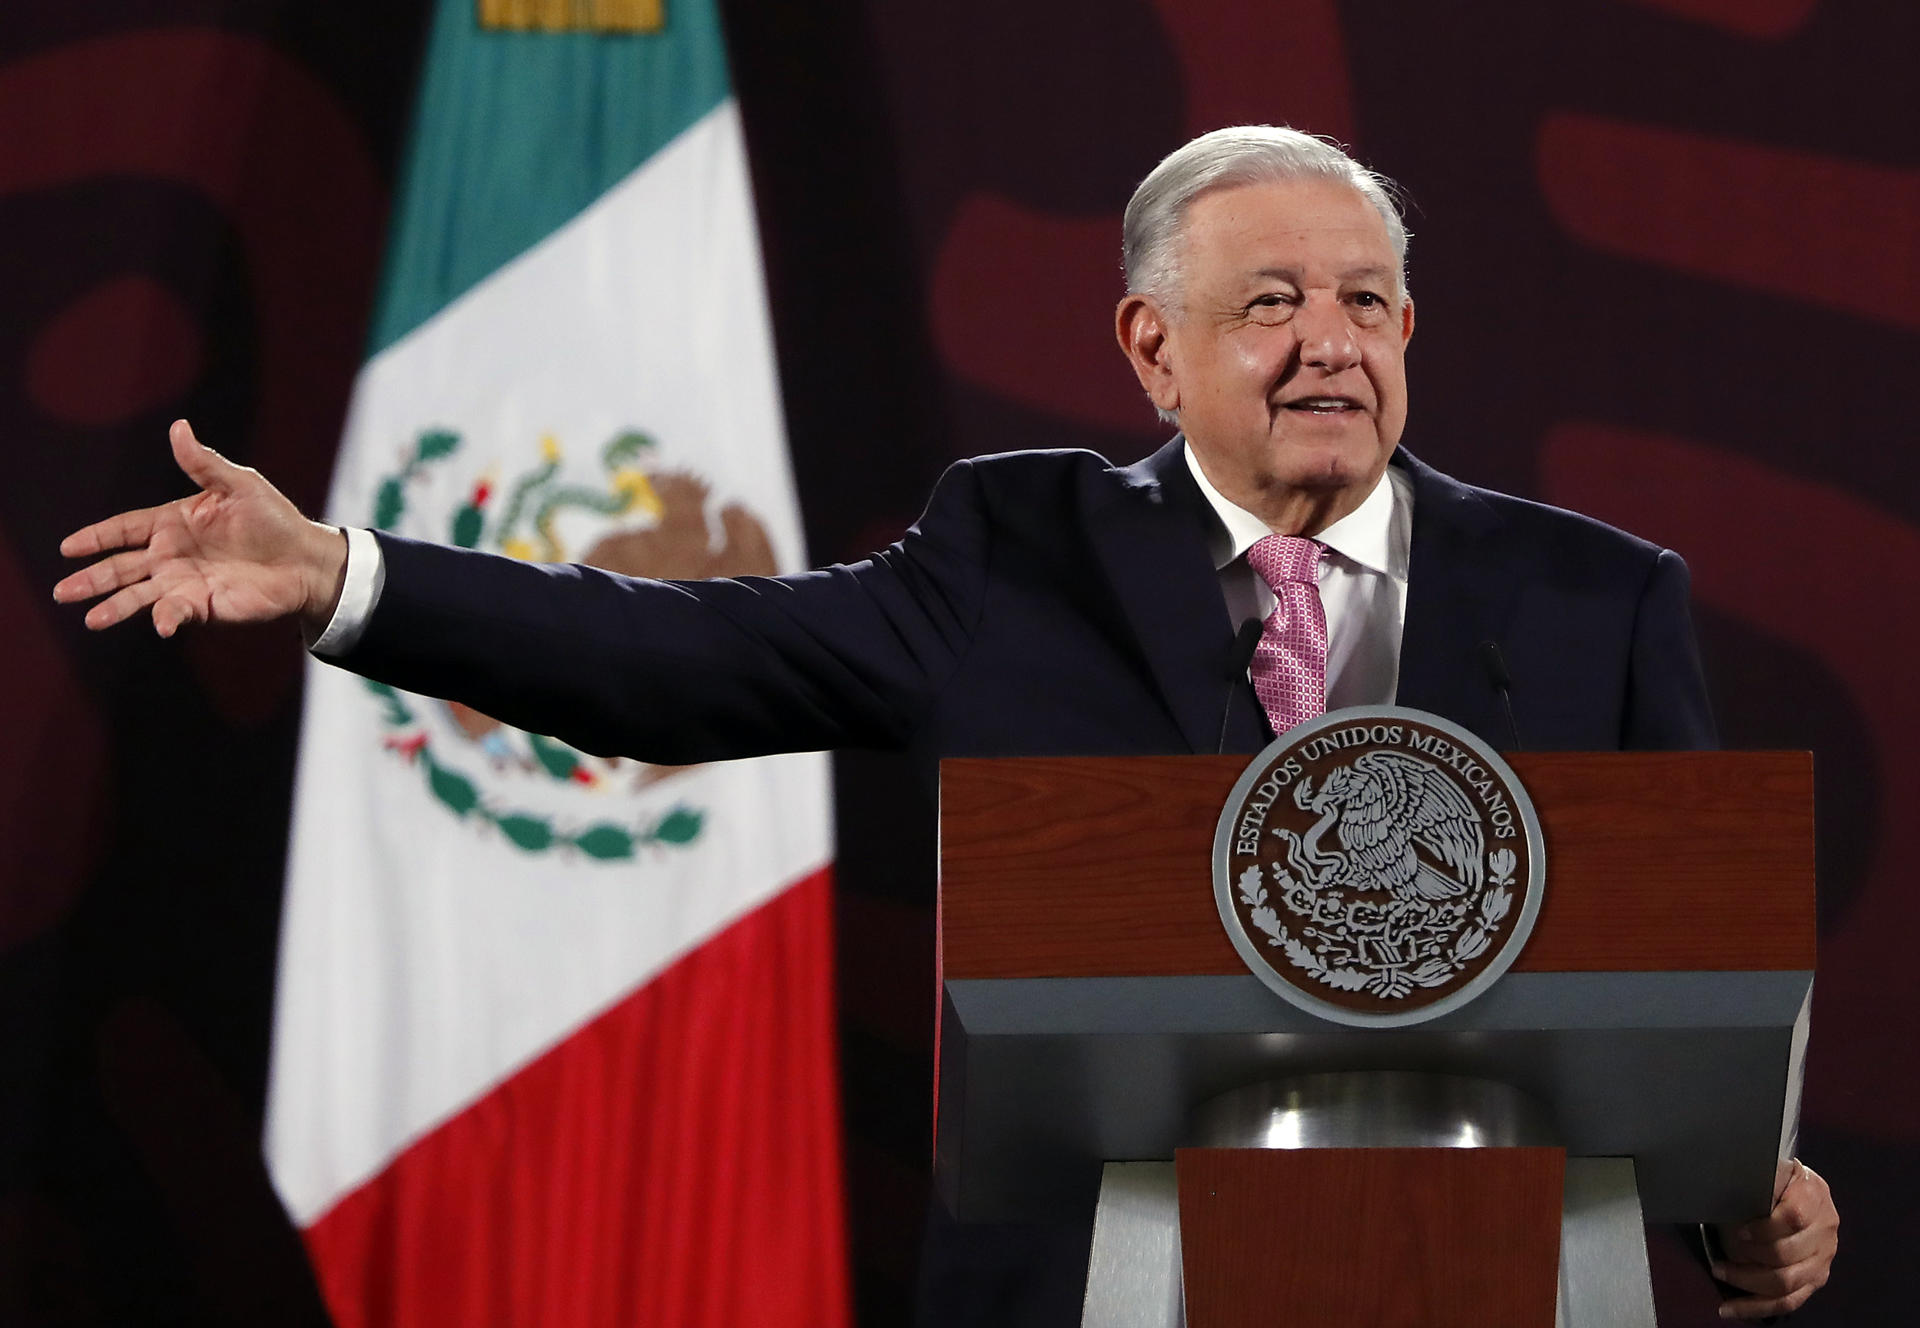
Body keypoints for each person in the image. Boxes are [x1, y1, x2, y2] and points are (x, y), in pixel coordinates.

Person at [56, 125, 1837, 1319]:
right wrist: (348, 576)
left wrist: (1734, 1199)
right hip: (1093, 1283)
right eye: (1269, 304)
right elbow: (684, 653)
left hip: (1493, 1279)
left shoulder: (1596, 599)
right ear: (1151, 346)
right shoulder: (1017, 551)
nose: (1328, 346)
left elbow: (1680, 966)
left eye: (1365, 301)